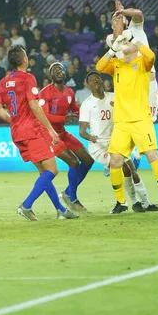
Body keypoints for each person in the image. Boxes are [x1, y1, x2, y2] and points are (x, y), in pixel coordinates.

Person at [0, 46, 78, 221]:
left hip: (17, 132)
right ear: (24, 60)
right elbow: (34, 105)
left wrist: (13, 120)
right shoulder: (28, 78)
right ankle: (26, 205)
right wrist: (50, 129)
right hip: (31, 131)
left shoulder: (3, 82)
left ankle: (60, 210)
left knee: (43, 172)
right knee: (52, 170)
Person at [97, 26, 158, 214]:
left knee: (152, 156)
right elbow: (99, 67)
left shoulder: (142, 63)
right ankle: (121, 202)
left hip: (141, 120)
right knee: (115, 161)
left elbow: (152, 57)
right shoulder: (116, 65)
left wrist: (134, 40)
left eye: (126, 42)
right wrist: (112, 49)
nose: (124, 43)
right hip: (122, 123)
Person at [79, 71, 158, 212]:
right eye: (91, 80)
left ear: (102, 81)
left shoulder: (114, 97)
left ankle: (144, 203)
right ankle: (123, 202)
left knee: (131, 170)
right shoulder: (87, 105)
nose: (95, 81)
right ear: (88, 85)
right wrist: (90, 137)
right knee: (122, 167)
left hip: (116, 141)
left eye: (97, 78)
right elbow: (82, 131)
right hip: (99, 147)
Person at [39, 62, 94, 211]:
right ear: (50, 75)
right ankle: (72, 198)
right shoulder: (45, 93)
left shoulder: (69, 92)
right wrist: (63, 119)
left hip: (62, 132)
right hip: (50, 134)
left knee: (88, 160)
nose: (59, 71)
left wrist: (87, 116)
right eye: (55, 70)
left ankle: (68, 192)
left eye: (61, 69)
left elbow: (75, 109)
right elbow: (43, 116)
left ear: (65, 74)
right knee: (73, 162)